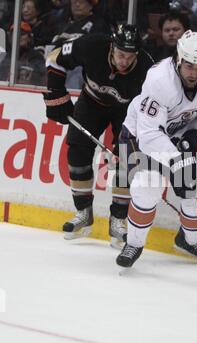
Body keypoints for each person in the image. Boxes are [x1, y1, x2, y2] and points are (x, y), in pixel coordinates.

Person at [115, 30, 197, 268]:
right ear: (178, 59)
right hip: (138, 133)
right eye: (189, 66)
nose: (195, 73)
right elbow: (149, 137)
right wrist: (180, 161)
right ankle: (134, 243)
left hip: (177, 135)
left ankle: (189, 241)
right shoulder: (159, 79)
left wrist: (195, 136)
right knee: (148, 185)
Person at [43, 24, 154, 242]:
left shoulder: (148, 70)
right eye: (121, 54)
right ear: (112, 46)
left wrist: (123, 145)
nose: (124, 61)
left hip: (128, 111)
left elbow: (151, 107)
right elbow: (54, 57)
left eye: (130, 57)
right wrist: (56, 94)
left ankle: (118, 220)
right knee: (77, 151)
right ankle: (84, 212)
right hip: (91, 102)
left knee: (126, 159)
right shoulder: (91, 45)